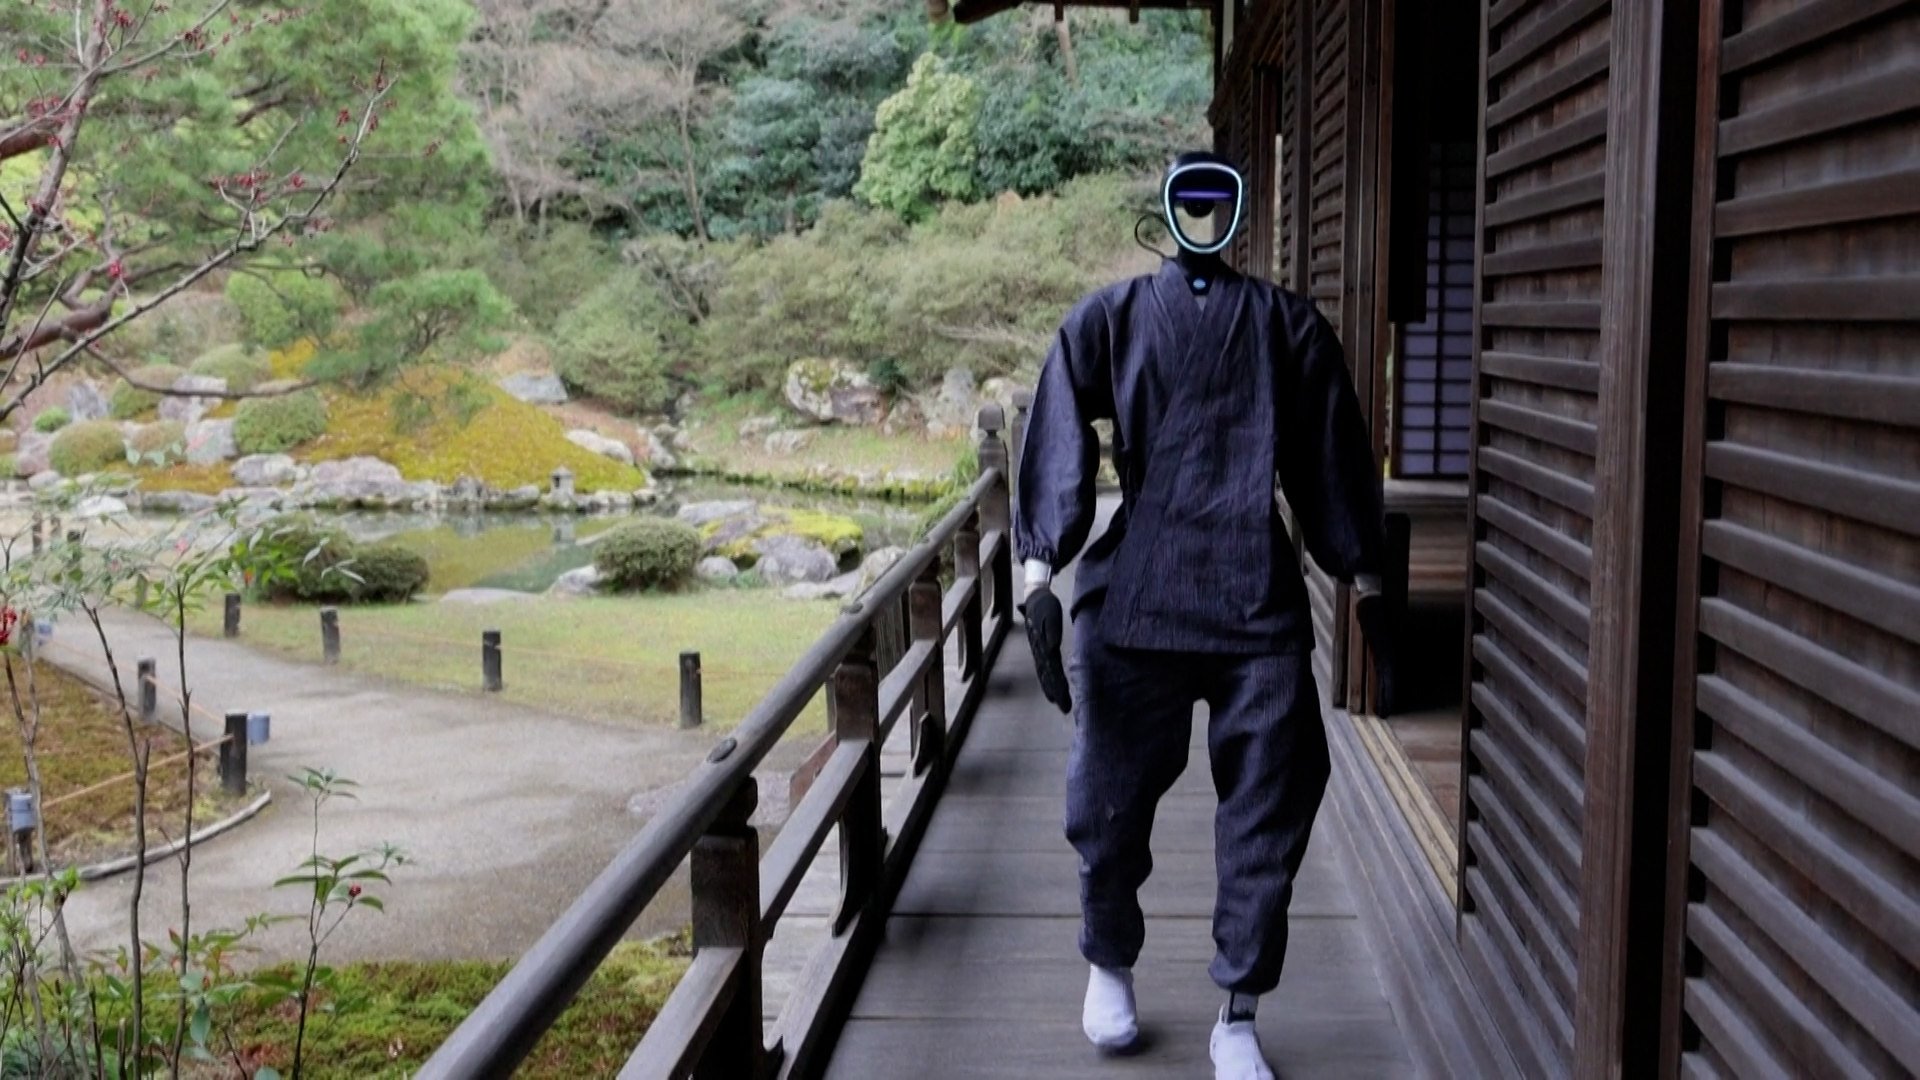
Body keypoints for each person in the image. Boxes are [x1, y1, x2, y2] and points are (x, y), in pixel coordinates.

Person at [1015, 150, 1394, 1080]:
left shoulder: (1285, 325)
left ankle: (1239, 1011)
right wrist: (1037, 574)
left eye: (1215, 199)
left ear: (1236, 214)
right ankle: (1108, 961)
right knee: (1104, 796)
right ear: (1166, 211)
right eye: (1188, 198)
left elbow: (1328, 460)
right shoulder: (1107, 319)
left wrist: (1366, 579)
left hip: (1253, 590)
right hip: (1138, 585)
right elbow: (1060, 425)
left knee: (1272, 803)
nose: (1202, 214)